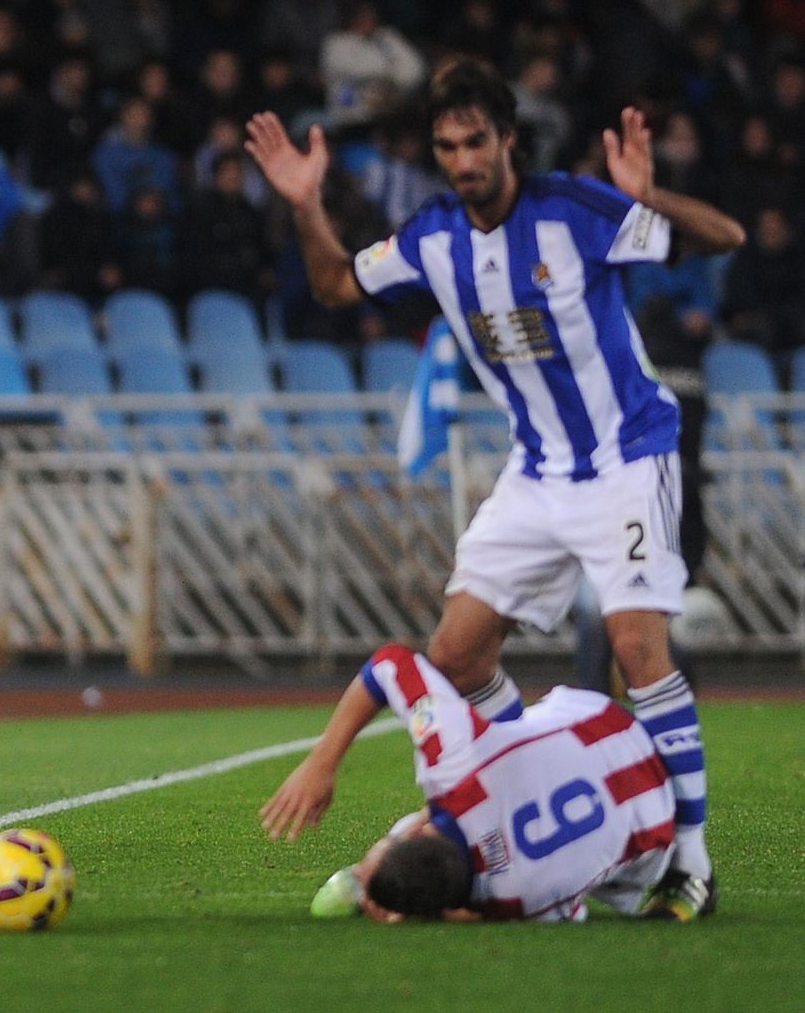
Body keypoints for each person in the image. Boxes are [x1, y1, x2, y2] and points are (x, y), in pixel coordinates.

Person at [243, 58, 747, 918]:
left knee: (635, 648)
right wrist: (305, 200)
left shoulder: (573, 210)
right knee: (455, 659)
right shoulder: (434, 236)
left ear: (508, 139)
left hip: (627, 455)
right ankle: (517, 792)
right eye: (448, 145)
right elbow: (333, 283)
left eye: (477, 140)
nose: (463, 158)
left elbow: (726, 235)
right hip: (536, 471)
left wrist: (646, 196)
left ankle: (688, 864)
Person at [265, 644, 684, 922]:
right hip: (604, 723)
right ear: (420, 830)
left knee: (581, 864)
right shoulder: (454, 766)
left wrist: (451, 910)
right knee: (470, 694)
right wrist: (323, 763)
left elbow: (569, 914)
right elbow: (390, 663)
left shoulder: (516, 901)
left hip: (656, 819)